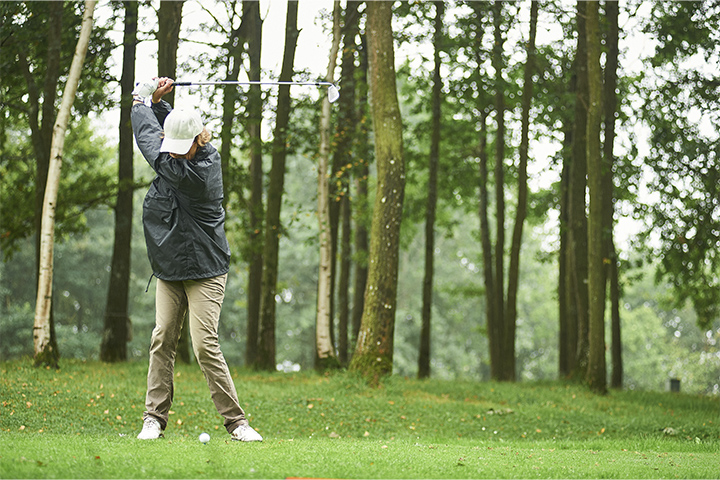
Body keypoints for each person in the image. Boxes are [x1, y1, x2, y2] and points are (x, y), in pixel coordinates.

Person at [130, 77, 262, 442]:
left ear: (198, 140)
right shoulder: (178, 150)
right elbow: (165, 134)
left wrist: (141, 103)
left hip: (205, 268)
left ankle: (237, 423)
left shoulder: (200, 172)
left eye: (178, 147)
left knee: (204, 344)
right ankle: (153, 418)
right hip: (171, 266)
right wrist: (158, 104)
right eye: (170, 146)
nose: (171, 152)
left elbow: (150, 145)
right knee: (162, 338)